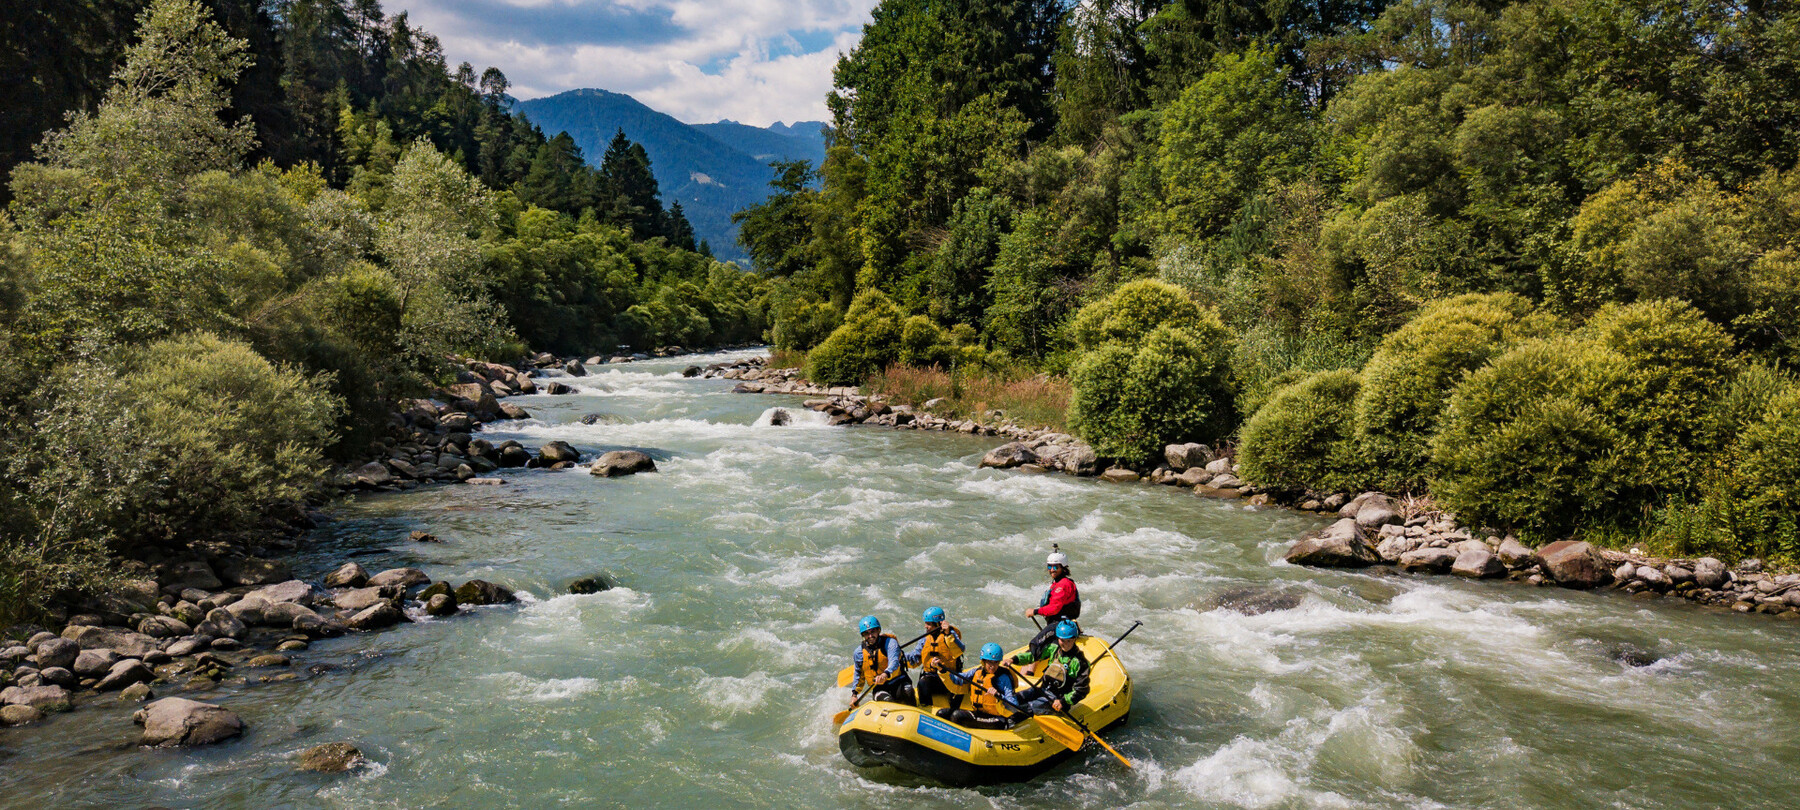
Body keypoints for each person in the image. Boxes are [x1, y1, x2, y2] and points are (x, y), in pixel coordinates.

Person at [1012, 620, 1090, 716]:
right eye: (1062, 640)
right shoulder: (1054, 649)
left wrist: (1063, 701)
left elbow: (1081, 689)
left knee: (1024, 709)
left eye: (1069, 640)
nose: (1065, 644)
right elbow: (1033, 656)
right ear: (1058, 638)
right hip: (1043, 690)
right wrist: (1014, 660)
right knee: (1014, 699)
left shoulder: (1080, 662)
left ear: (1074, 639)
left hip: (1058, 701)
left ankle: (1009, 720)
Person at [938, 643, 1023, 730]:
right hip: (980, 714)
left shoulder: (1004, 677)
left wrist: (999, 696)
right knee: (941, 713)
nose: (993, 666)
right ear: (983, 661)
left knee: (957, 716)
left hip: (998, 719)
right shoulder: (977, 672)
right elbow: (957, 680)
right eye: (989, 662)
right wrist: (942, 669)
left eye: (996, 662)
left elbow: (1013, 706)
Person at [1024, 546, 1081, 654]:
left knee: (1035, 645)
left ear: (1063, 568)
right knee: (1040, 647)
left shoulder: (1063, 585)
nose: (1051, 570)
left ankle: (1027, 666)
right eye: (1049, 566)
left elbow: (1054, 608)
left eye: (1055, 567)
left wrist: (1035, 611)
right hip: (1058, 623)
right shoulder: (1057, 584)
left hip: (1061, 624)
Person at [907, 606, 964, 707]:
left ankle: (953, 708)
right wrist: (899, 656)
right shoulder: (925, 639)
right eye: (926, 623)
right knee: (922, 682)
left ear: (938, 624)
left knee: (959, 690)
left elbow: (960, 650)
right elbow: (915, 658)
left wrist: (948, 634)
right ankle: (926, 708)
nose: (926, 626)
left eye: (929, 624)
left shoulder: (951, 635)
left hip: (949, 678)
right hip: (932, 678)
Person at [849, 615, 913, 704]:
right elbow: (859, 674)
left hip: (899, 682)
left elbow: (894, 662)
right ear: (863, 635)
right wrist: (854, 695)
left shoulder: (890, 643)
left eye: (873, 631)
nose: (870, 636)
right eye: (866, 633)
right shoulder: (859, 653)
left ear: (878, 630)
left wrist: (885, 674)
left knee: (908, 691)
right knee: (887, 700)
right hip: (880, 688)